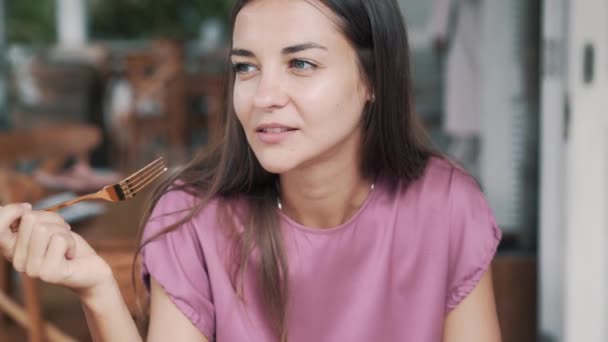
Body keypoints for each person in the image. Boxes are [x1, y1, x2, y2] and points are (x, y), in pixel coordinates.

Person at [0, 0, 502, 341]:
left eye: (301, 64)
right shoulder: (192, 216)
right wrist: (98, 291)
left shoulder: (445, 203)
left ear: (373, 79)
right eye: (246, 67)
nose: (263, 97)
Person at [428, 0, 483, 177]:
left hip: (474, 47)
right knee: (467, 139)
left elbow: (439, 37)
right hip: (469, 48)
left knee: (468, 140)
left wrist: (439, 31)